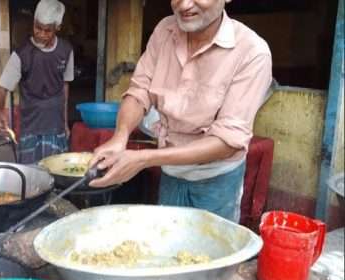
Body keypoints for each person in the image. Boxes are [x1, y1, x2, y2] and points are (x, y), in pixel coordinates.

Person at [90, 0, 272, 223]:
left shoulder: (252, 52)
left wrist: (143, 159)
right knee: (170, 244)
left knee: (209, 252)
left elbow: (227, 140)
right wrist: (120, 136)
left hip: (216, 179)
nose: (184, 5)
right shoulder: (164, 31)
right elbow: (140, 91)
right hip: (170, 170)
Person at [0, 0, 74, 164]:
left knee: (55, 175)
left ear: (57, 27)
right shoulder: (21, 54)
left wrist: (65, 123)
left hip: (55, 126)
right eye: (38, 27)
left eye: (47, 30)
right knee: (30, 176)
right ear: (33, 23)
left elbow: (64, 87)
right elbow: (1, 90)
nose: (41, 34)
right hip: (30, 127)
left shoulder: (66, 50)